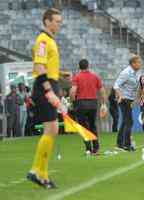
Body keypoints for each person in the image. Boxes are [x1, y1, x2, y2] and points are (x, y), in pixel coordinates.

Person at [26, 8, 63, 189]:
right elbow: (39, 66)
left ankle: (41, 173)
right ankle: (37, 171)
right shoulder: (42, 40)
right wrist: (49, 91)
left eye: (59, 21)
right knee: (51, 129)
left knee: (52, 129)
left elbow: (47, 65)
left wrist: (60, 75)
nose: (59, 24)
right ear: (47, 21)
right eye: (56, 21)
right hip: (44, 86)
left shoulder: (50, 40)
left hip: (50, 83)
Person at [70, 59, 106, 155]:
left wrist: (73, 102)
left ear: (79, 66)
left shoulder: (77, 77)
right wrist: (103, 103)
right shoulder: (95, 77)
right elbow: (102, 91)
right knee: (93, 125)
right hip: (93, 103)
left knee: (83, 127)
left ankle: (88, 148)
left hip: (81, 103)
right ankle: (96, 147)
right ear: (88, 66)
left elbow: (73, 91)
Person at [113, 55, 142, 151]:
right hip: (124, 99)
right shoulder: (126, 72)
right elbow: (116, 85)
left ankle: (120, 143)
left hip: (129, 99)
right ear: (133, 63)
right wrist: (120, 95)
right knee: (129, 122)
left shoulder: (136, 73)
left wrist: (136, 99)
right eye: (138, 62)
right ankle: (126, 144)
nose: (140, 64)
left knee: (125, 121)